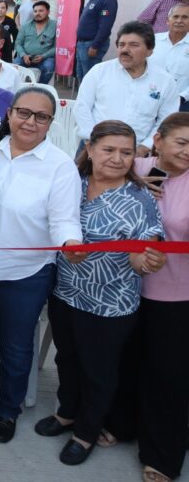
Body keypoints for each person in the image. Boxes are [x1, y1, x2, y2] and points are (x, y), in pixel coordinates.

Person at [0, 88, 82, 444]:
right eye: (23, 112)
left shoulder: (60, 166)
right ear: (9, 114)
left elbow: (65, 222)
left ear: (51, 123)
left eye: (41, 116)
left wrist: (71, 244)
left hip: (27, 272)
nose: (30, 122)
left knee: (16, 346)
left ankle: (8, 410)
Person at [35, 120, 164, 466]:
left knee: (98, 370)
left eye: (126, 152)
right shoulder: (70, 185)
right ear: (89, 150)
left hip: (110, 304)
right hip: (66, 293)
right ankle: (66, 413)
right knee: (66, 359)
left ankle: (86, 432)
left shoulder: (140, 201)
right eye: (108, 150)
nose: (117, 158)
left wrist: (147, 262)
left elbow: (144, 254)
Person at [126, 113, 189, 481]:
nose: (187, 152)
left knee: (168, 375)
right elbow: (88, 173)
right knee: (127, 362)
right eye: (181, 143)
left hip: (176, 294)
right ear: (159, 139)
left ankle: (162, 455)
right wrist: (135, 185)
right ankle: (123, 425)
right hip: (126, 290)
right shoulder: (135, 165)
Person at [75, 21, 178, 156]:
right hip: (93, 146)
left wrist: (145, 147)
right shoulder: (99, 71)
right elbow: (82, 107)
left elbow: (166, 120)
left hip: (136, 152)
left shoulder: (165, 81)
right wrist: (93, 140)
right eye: (121, 45)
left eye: (133, 45)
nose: (125, 50)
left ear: (149, 51)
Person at [75, 0, 119, 81]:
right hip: (83, 44)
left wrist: (95, 45)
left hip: (91, 45)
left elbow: (105, 25)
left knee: (90, 79)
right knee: (82, 77)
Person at [150, 3, 189, 111]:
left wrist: (182, 97)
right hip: (150, 98)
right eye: (175, 16)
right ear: (168, 20)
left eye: (185, 17)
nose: (179, 21)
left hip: (182, 103)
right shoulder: (153, 41)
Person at [13, 0, 57, 84]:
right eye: (35, 11)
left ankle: (39, 88)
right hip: (26, 57)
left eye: (41, 11)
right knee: (15, 65)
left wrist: (43, 56)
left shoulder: (55, 26)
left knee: (49, 68)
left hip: (45, 58)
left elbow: (56, 47)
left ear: (48, 12)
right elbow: (18, 43)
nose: (37, 13)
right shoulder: (26, 26)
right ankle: (20, 87)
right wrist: (24, 55)